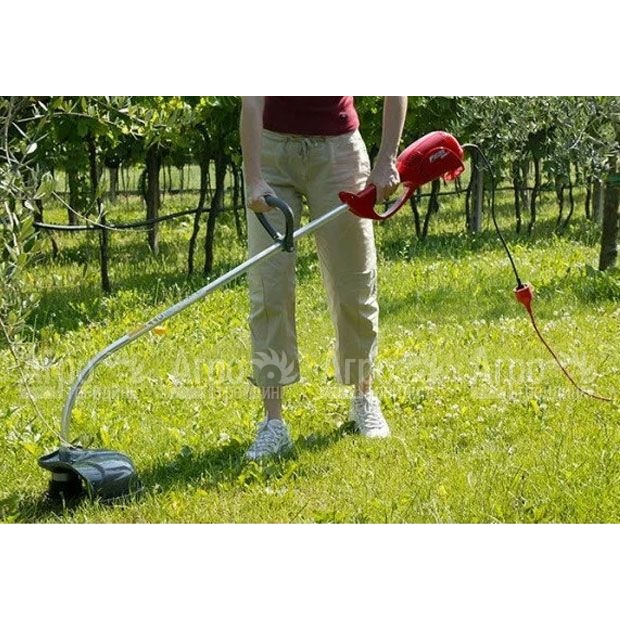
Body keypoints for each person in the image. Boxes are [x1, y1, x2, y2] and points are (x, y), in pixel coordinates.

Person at [240, 96, 407, 460]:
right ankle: (273, 423)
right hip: (271, 154)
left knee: (354, 285)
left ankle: (363, 397)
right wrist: (253, 178)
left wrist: (386, 160)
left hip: (339, 152)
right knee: (270, 288)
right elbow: (252, 99)